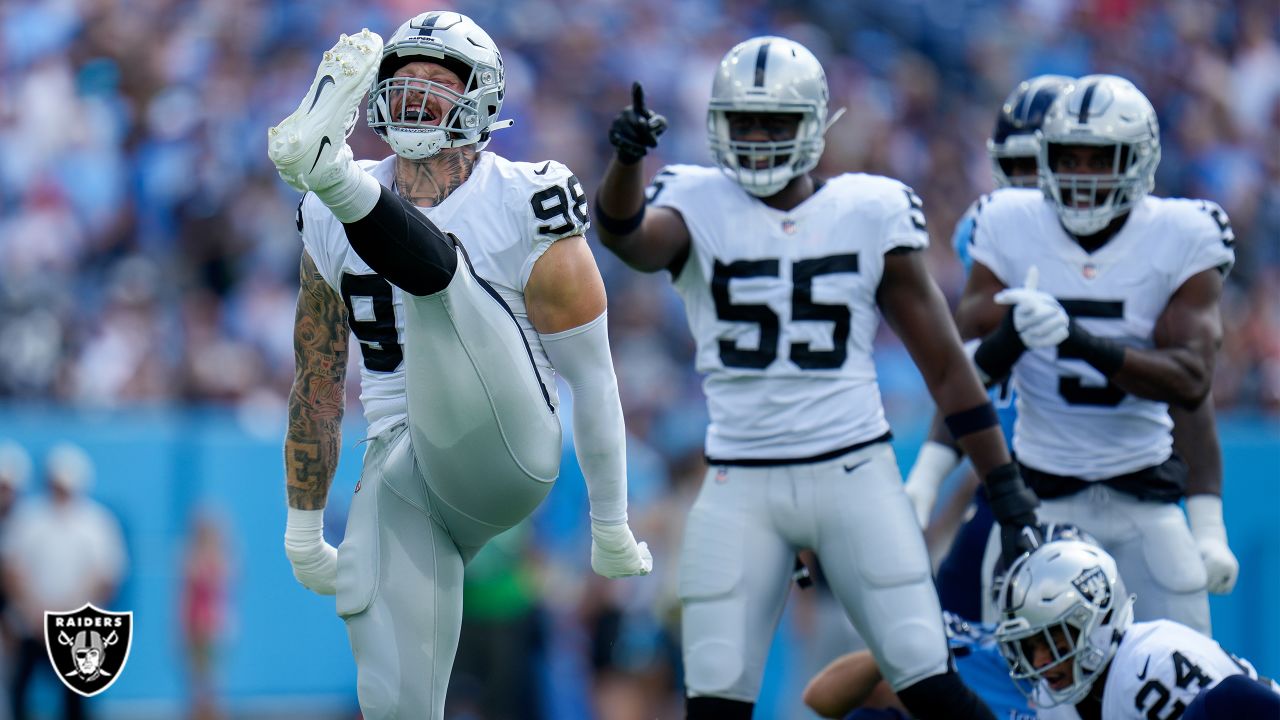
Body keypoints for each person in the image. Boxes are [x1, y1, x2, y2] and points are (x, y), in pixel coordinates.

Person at [595, 35, 1041, 720]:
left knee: (927, 680)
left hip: (852, 470)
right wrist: (625, 162)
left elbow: (947, 366)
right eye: (745, 121)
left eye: (777, 121)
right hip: (741, 478)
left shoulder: (869, 209)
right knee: (714, 700)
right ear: (718, 122)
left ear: (817, 124)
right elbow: (627, 235)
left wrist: (1007, 492)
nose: (759, 137)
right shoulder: (696, 201)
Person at [265, 13, 651, 719]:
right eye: (403, 78)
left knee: (443, 286)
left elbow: (592, 375)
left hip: (505, 443)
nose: (415, 93)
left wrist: (610, 524)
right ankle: (337, 177)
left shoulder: (525, 197)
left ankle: (335, 172)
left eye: (438, 80)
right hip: (403, 466)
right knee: (391, 700)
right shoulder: (319, 218)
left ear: (484, 98)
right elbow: (317, 378)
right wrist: (304, 526)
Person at [955, 75, 1239, 635]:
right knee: (1029, 690)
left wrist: (1075, 339)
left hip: (1144, 497)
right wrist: (1015, 331)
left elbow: (1191, 380)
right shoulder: (1009, 220)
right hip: (1042, 501)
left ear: (1138, 161)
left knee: (1185, 678)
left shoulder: (1181, 232)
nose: (1082, 177)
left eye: (1101, 159)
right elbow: (963, 366)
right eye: (1069, 158)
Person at [904, 74, 1075, 623]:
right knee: (953, 633)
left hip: (1110, 471)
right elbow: (972, 372)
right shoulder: (986, 230)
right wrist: (942, 482)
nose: (1027, 184)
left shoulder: (1140, 239)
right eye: (1017, 166)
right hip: (1013, 474)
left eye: (1041, 164)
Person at [994, 539, 1279, 719]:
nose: (1040, 661)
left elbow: (1237, 700)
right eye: (1030, 647)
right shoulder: (1054, 701)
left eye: (1053, 641)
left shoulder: (1152, 665)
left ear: (1097, 622)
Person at [2, 443, 128, 720]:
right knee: (20, 690)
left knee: (75, 695)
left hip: (75, 626)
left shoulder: (96, 523)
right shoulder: (30, 518)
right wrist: (31, 607)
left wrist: (72, 609)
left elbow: (106, 576)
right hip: (30, 622)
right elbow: (12, 567)